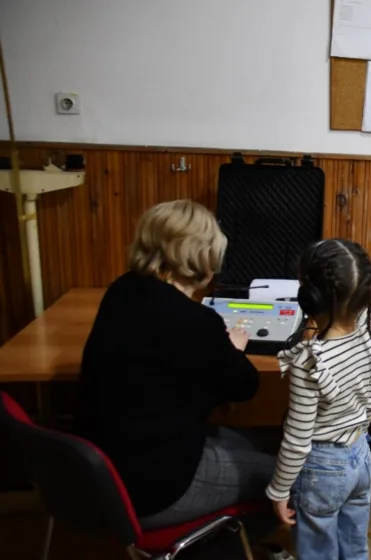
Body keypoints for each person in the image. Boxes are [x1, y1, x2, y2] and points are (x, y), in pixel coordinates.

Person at [75, 200, 276, 530]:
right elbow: (245, 386)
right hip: (154, 490)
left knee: (247, 440)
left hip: (102, 472)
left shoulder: (121, 290)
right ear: (203, 257)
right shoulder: (196, 321)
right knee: (289, 474)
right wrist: (234, 350)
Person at [266, 239, 371, 560]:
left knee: (317, 550)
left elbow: (297, 440)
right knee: (354, 544)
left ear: (308, 298)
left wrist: (279, 490)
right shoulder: (366, 330)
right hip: (361, 455)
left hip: (323, 468)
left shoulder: (311, 363)